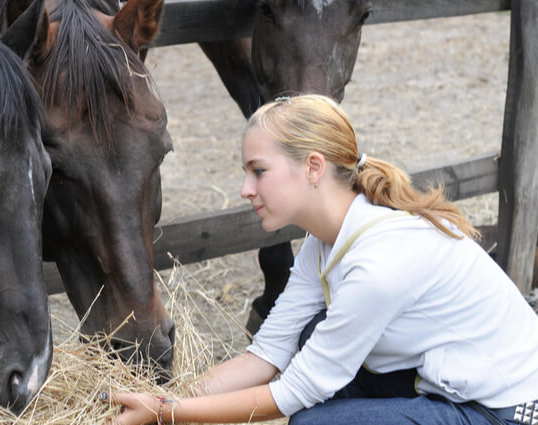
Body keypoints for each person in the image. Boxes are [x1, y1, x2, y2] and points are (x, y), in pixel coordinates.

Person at [102, 94, 538, 424]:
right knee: (309, 336)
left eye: (258, 171)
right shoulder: (325, 239)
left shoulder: (379, 265)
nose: (245, 190)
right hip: (444, 378)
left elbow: (293, 392)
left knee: (315, 422)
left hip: (503, 408)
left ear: (313, 167)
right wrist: (169, 395)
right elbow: (268, 353)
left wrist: (167, 412)